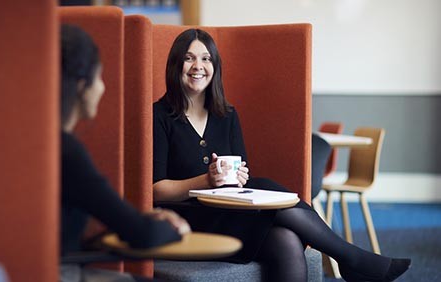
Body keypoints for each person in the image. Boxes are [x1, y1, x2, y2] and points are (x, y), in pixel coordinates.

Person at [153, 28, 411, 282]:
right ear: (176, 64)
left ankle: (349, 259)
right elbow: (156, 190)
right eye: (189, 58)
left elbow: (243, 174)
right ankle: (349, 257)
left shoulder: (227, 115)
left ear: (215, 66)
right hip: (187, 221)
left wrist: (239, 176)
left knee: (286, 239)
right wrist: (205, 181)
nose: (198, 66)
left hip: (228, 213)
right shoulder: (159, 115)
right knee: (265, 187)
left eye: (206, 58)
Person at [60, 24, 190, 282]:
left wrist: (140, 222)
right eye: (99, 78)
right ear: (82, 85)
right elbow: (143, 236)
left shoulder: (39, 144)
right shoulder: (68, 152)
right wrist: (176, 228)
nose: (103, 88)